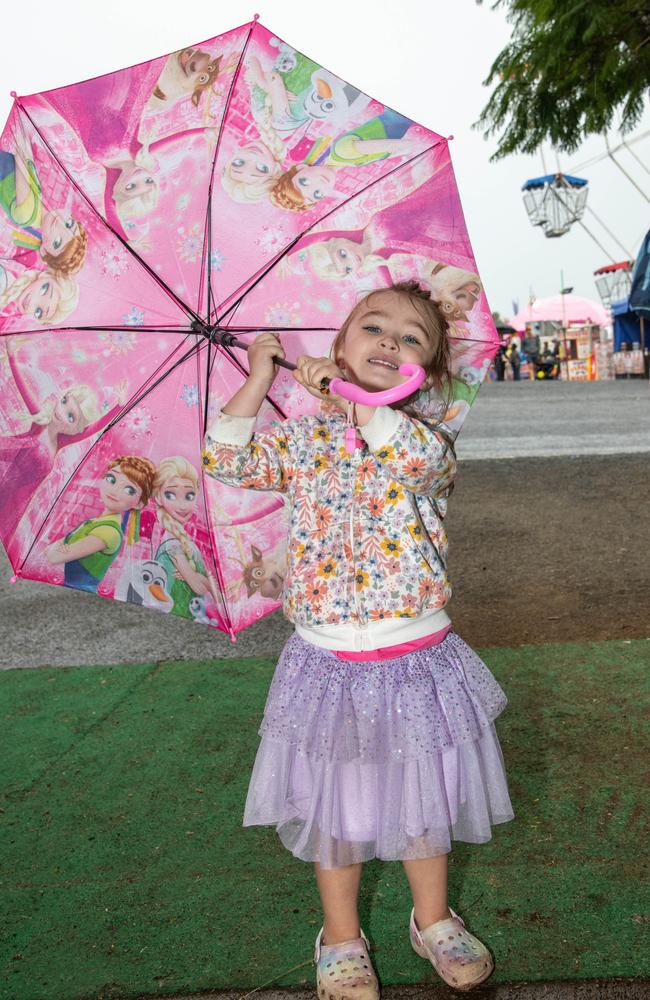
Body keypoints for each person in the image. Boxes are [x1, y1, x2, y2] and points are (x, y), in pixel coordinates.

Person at [202, 281, 513, 995]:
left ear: (426, 374)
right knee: (335, 812)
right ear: (339, 346)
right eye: (373, 328)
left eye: (411, 340)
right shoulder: (304, 440)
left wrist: (354, 401)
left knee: (423, 805)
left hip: (417, 660)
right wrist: (256, 379)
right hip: (328, 663)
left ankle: (431, 919)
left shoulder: (427, 441)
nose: (389, 343)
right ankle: (340, 936)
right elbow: (227, 461)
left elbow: (405, 455)